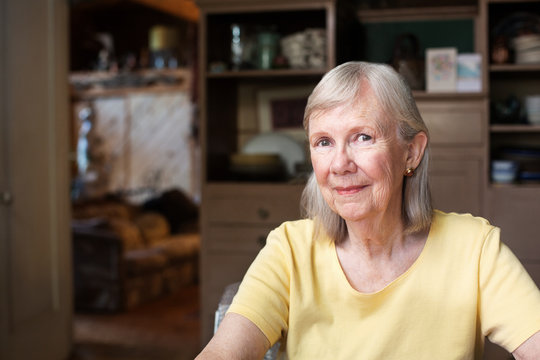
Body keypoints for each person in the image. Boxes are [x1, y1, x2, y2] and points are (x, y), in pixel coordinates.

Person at [196, 62, 540, 359]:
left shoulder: (474, 249)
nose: (340, 164)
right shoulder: (289, 249)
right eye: (324, 142)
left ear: (411, 152)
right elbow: (225, 351)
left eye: (363, 137)